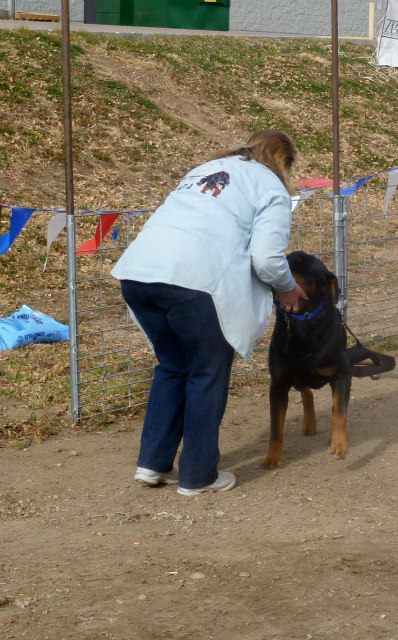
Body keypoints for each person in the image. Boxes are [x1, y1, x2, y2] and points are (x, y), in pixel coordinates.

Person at [111, 130, 306, 495]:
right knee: (207, 371)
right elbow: (267, 258)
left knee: (172, 367)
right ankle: (198, 476)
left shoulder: (204, 169)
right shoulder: (272, 188)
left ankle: (152, 464)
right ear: (284, 161)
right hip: (194, 282)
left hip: (138, 273)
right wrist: (287, 287)